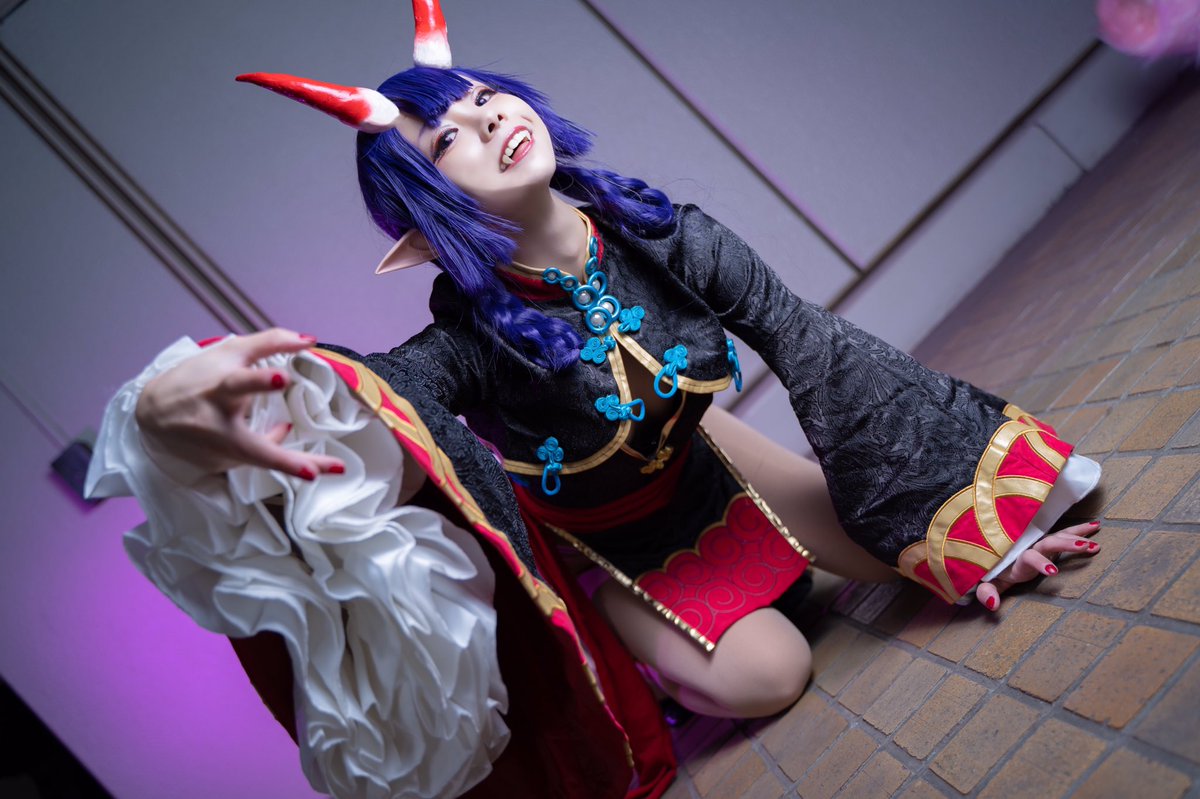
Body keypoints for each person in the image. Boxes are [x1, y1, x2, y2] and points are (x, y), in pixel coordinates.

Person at [88, 3, 1102, 797]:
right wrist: (171, 407)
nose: (487, 119)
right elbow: (373, 398)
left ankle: (814, 549)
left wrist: (971, 529)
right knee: (774, 676)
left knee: (908, 552)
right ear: (424, 218)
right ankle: (631, 637)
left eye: (485, 97)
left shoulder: (662, 230)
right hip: (619, 548)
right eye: (445, 141)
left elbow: (815, 349)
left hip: (711, 462)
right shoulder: (467, 338)